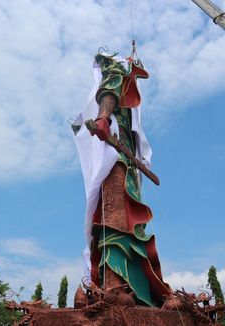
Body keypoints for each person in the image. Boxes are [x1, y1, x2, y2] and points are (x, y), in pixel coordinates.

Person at [73, 52, 174, 307]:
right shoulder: (116, 74)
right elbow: (110, 90)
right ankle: (115, 285)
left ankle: (132, 288)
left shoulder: (129, 96)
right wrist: (104, 118)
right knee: (115, 216)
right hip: (115, 157)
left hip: (128, 162)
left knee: (130, 220)